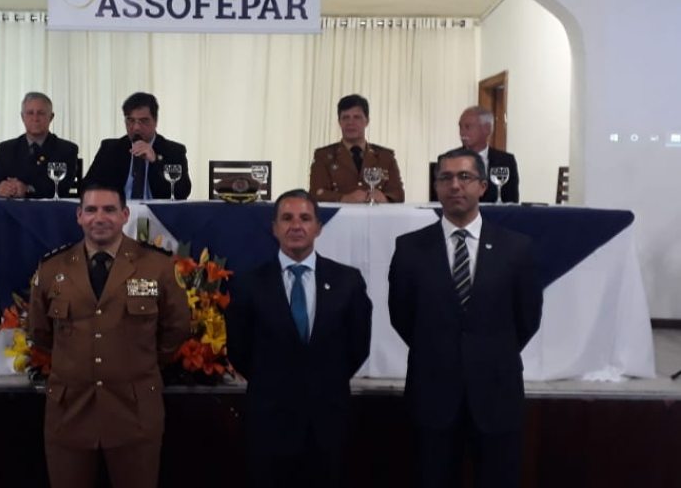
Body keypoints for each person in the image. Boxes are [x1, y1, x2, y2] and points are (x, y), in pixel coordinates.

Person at [388, 148, 542, 488]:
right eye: (445, 178)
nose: (454, 185)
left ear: (483, 186)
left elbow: (527, 317)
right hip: (433, 395)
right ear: (436, 187)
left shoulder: (516, 248)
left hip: (496, 394)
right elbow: (402, 315)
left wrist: (487, 352)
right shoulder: (410, 249)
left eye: (464, 177)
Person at [29, 182, 190, 488]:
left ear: (125, 215)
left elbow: (177, 327)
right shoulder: (52, 268)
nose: (99, 218)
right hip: (70, 412)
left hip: (134, 412)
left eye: (109, 210)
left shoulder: (157, 265)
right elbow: (40, 332)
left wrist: (136, 363)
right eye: (91, 210)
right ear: (79, 216)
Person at [227, 189, 372, 488]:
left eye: (305, 218)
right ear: (274, 228)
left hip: (328, 421)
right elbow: (239, 349)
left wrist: (323, 380)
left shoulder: (347, 281)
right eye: (287, 218)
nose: (296, 226)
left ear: (318, 227)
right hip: (269, 421)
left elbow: (358, 346)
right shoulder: (248, 283)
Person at [84, 92, 191, 200]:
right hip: (120, 209)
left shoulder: (173, 151)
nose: (136, 127)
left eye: (143, 121)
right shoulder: (110, 149)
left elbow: (182, 193)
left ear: (155, 121)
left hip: (156, 210)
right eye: (130, 120)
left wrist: (155, 161)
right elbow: (86, 186)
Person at [309, 94, 405, 203]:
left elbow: (398, 194)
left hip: (377, 213)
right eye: (345, 118)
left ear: (367, 121)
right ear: (339, 122)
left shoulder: (385, 157)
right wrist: (343, 198)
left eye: (357, 117)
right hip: (340, 214)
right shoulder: (323, 156)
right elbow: (315, 193)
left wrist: (384, 198)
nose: (350, 123)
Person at [0, 92, 79, 198]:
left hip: (49, 208)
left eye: (41, 113)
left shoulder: (66, 150)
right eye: (30, 113)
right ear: (22, 117)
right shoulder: (6, 149)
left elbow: (62, 188)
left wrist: (28, 189)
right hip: (11, 207)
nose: (35, 118)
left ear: (51, 117)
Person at [458, 105, 519, 203]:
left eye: (468, 127)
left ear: (487, 129)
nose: (462, 132)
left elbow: (511, 202)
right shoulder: (449, 160)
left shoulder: (506, 161)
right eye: (460, 127)